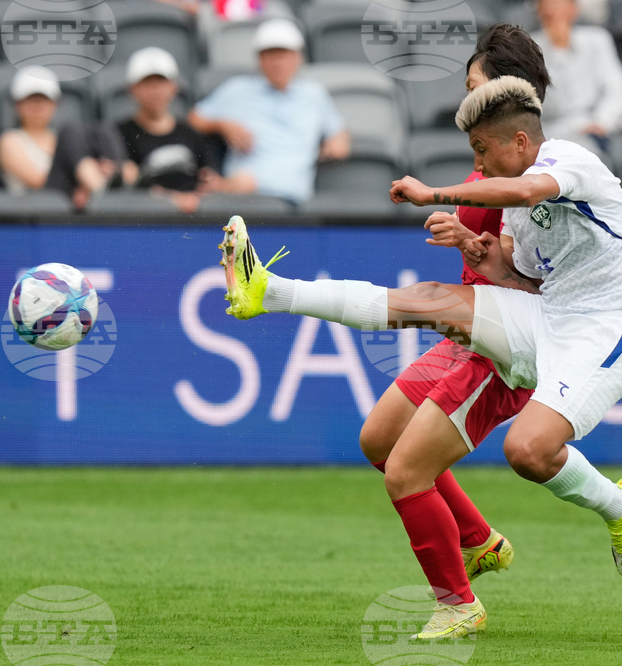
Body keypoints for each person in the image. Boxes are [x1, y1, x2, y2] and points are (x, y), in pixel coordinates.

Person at [218, 76, 622, 639]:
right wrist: (477, 251)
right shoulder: (513, 205)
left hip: (615, 326)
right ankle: (269, 291)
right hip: (552, 316)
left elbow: (526, 192)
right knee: (430, 302)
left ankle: (618, 505)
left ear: (519, 139)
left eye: (482, 150)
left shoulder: (571, 160)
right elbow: (519, 276)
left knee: (528, 451)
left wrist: (434, 194)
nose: (478, 164)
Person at [356, 22, 549, 637]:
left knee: (404, 472)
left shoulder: (538, 176)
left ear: (505, 91)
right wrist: (465, 232)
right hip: (468, 328)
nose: (463, 95)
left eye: (473, 84)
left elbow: (537, 278)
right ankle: (477, 540)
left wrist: (465, 231)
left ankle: (457, 602)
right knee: (378, 439)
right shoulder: (491, 160)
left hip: (501, 345)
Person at [189, 19, 350, 204]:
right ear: (259, 60)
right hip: (245, 195)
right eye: (270, 55)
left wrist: (337, 143)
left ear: (299, 58)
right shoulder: (237, 89)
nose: (278, 63)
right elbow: (194, 119)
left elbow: (338, 132)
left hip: (294, 197)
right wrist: (222, 125)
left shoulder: (314, 95)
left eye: (284, 55)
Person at [0, 67, 124, 209]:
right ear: (17, 104)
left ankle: (109, 185)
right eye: (31, 99)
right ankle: (103, 191)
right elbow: (39, 181)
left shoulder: (60, 138)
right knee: (70, 131)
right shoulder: (9, 140)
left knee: (102, 130)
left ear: (55, 104)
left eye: (44, 100)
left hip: (66, 201)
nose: (38, 106)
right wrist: (80, 187)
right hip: (36, 206)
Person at [118, 47, 217, 214]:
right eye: (147, 84)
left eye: (161, 82)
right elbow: (127, 183)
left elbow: (208, 177)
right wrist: (173, 200)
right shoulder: (120, 132)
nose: (155, 91)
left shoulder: (191, 133)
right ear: (132, 89)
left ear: (174, 87)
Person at [533, 0, 622, 150]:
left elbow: (617, 89)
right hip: (552, 135)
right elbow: (545, 105)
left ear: (574, 9)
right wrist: (556, 50)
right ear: (539, 10)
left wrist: (601, 122)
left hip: (598, 131)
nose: (555, 9)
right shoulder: (530, 46)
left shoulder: (598, 39)